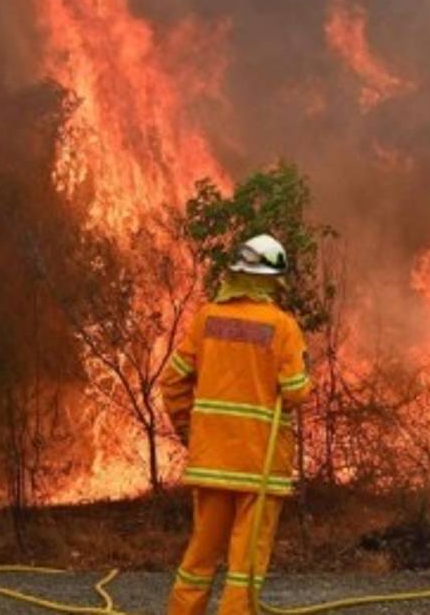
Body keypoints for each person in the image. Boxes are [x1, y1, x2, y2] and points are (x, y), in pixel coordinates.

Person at [162, 234, 312, 615]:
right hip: (259, 469)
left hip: (212, 462)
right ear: (271, 281)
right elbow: (295, 392)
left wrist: (189, 432)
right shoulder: (282, 326)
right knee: (244, 570)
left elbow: (173, 381)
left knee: (199, 561)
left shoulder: (206, 319)